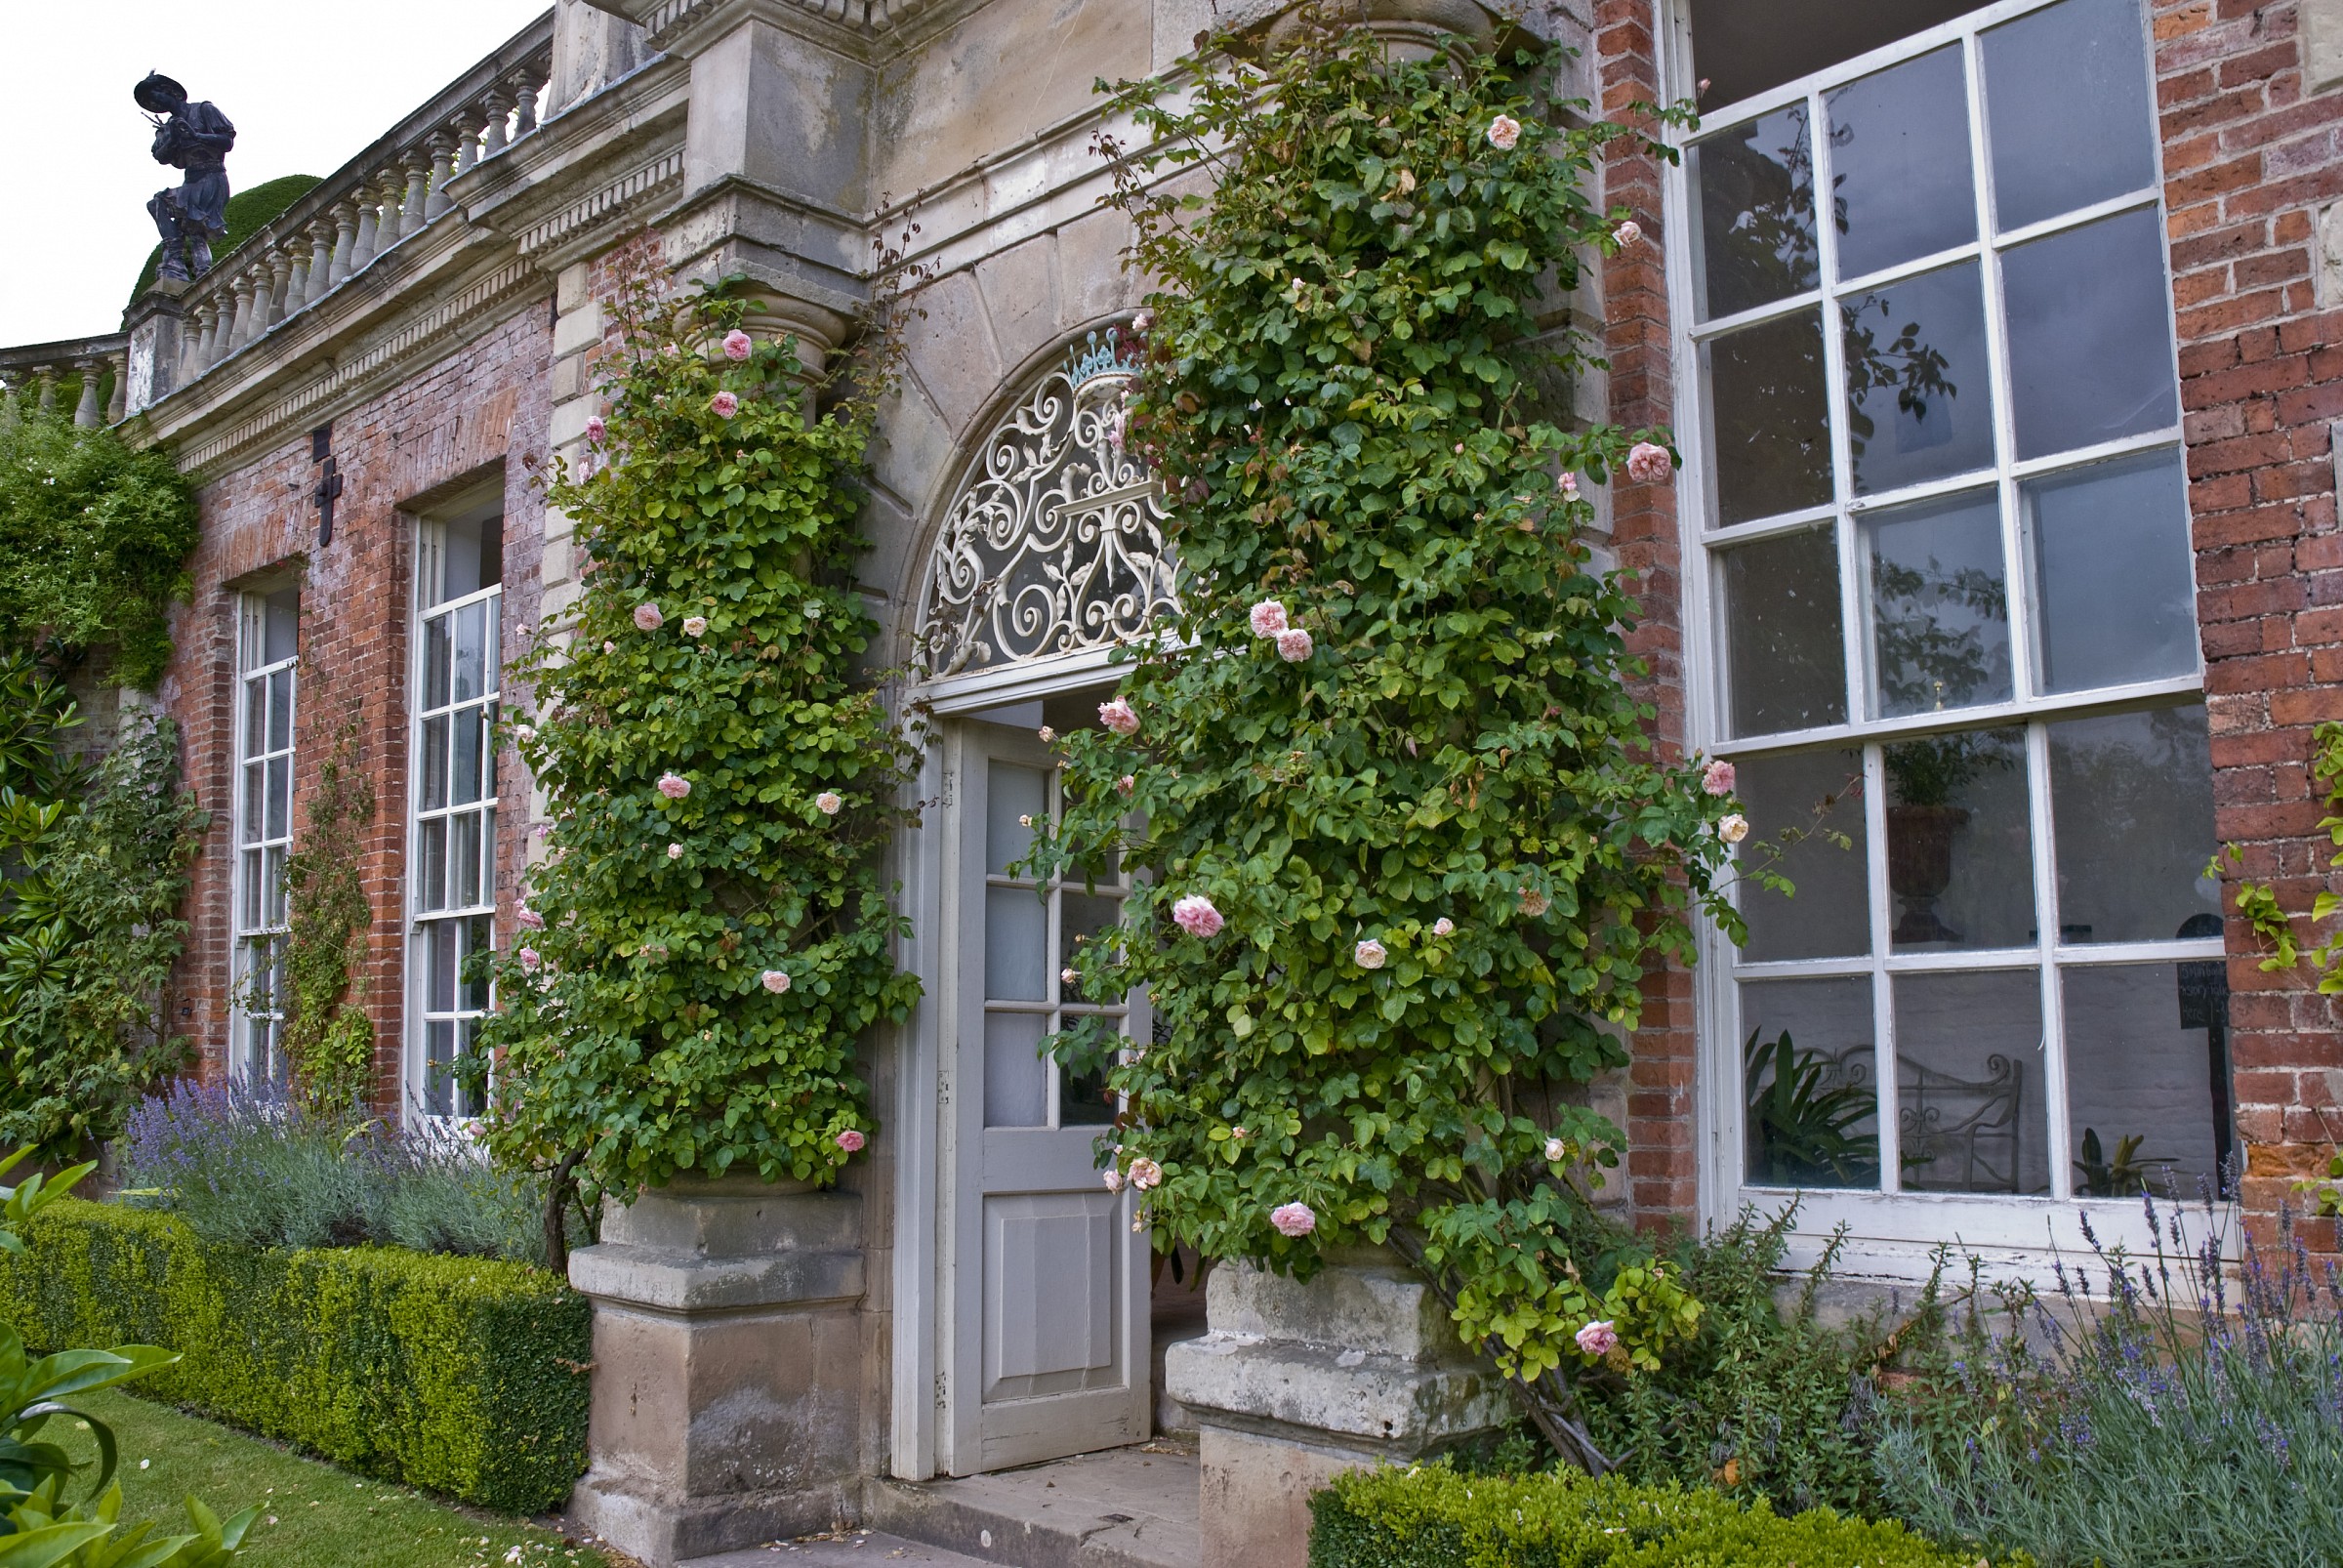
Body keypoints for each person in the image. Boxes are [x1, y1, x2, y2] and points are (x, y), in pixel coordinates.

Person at [136, 71, 234, 283]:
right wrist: (173, 138)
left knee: (196, 228)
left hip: (212, 176)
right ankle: (176, 259)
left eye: (156, 95)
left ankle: (196, 271)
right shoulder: (170, 126)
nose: (154, 102)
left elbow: (227, 141)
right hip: (191, 179)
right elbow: (160, 156)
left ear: (169, 92)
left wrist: (196, 136)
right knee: (158, 204)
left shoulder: (203, 110)